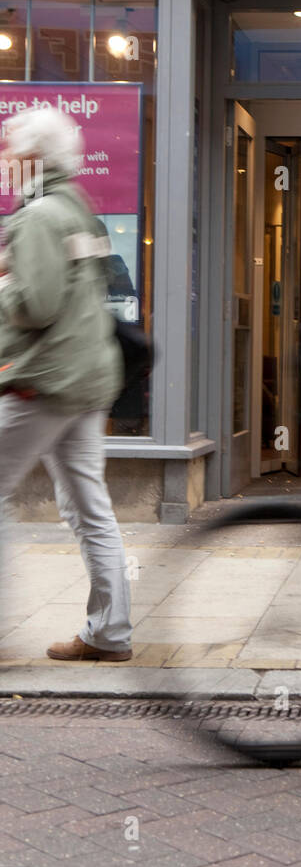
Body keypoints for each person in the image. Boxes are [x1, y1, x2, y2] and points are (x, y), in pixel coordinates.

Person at [0, 106, 131, 662]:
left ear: (33, 157)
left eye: (10, 147)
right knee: (88, 505)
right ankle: (110, 633)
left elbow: (37, 305)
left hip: (47, 382)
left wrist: (4, 282)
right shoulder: (79, 208)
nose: (6, 157)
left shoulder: (35, 218)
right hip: (89, 378)